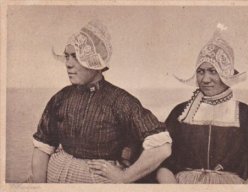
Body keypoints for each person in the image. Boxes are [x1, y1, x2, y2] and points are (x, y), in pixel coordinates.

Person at [31, 20, 172, 183]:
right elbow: (42, 147)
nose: (68, 64)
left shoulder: (120, 101)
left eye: (76, 57)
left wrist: (124, 177)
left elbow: (162, 147)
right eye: (67, 56)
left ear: (95, 62)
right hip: (54, 178)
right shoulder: (61, 98)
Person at [156, 31, 248, 184]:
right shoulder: (180, 113)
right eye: (200, 71)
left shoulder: (246, 115)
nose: (205, 79)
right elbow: (163, 164)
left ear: (226, 74)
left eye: (213, 71)